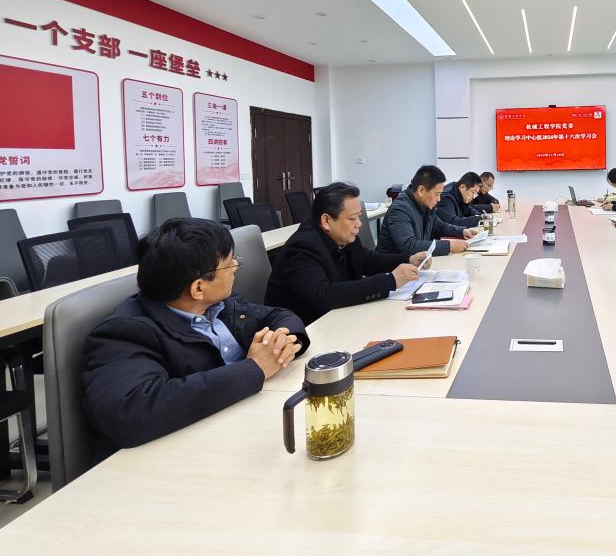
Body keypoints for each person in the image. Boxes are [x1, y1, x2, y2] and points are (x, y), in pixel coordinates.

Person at [82, 218, 309, 450]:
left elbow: (279, 315)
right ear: (198, 288)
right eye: (229, 263)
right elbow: (131, 413)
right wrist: (255, 368)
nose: (236, 267)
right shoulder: (124, 333)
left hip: (248, 420)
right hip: (195, 450)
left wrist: (282, 340)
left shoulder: (218, 304)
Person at [265, 183, 431, 324]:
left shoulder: (343, 236)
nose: (359, 224)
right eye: (352, 218)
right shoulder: (302, 248)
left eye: (359, 217)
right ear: (326, 221)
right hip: (304, 330)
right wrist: (390, 281)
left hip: (337, 319)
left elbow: (369, 260)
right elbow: (324, 296)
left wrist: (409, 259)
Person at [378, 165, 475, 256]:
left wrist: (462, 231)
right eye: (437, 194)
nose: (439, 199)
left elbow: (440, 227)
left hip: (416, 263)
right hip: (393, 266)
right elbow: (409, 246)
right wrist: (449, 246)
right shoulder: (400, 209)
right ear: (421, 191)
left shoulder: (425, 205)